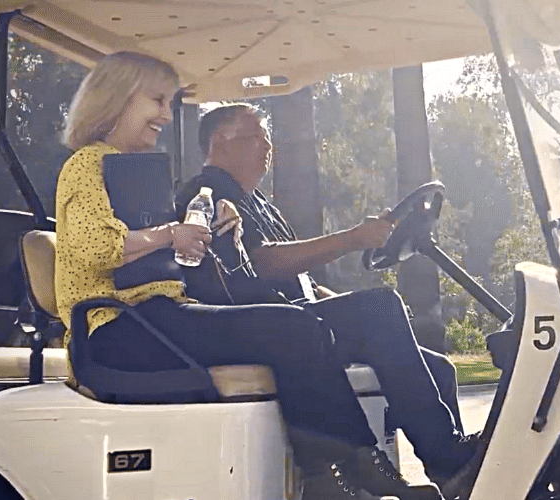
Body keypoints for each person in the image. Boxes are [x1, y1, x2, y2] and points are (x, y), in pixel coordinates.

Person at [52, 51, 452, 500]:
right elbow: (96, 246)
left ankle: (340, 477)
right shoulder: (88, 164)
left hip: (157, 315)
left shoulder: (135, 171)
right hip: (116, 327)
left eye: (169, 103)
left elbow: (167, 255)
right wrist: (172, 233)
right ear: (119, 97)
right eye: (157, 100)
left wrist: (214, 228)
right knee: (291, 327)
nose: (165, 115)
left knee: (296, 327)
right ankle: (349, 471)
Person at [176, 103, 476, 489]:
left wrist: (333, 297)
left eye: (269, 139)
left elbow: (296, 276)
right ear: (221, 140)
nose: (268, 147)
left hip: (301, 316)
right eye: (257, 138)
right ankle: (445, 455)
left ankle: (456, 477)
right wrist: (353, 239)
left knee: (439, 368)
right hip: (265, 329)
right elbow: (262, 264)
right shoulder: (207, 193)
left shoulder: (260, 203)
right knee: (381, 306)